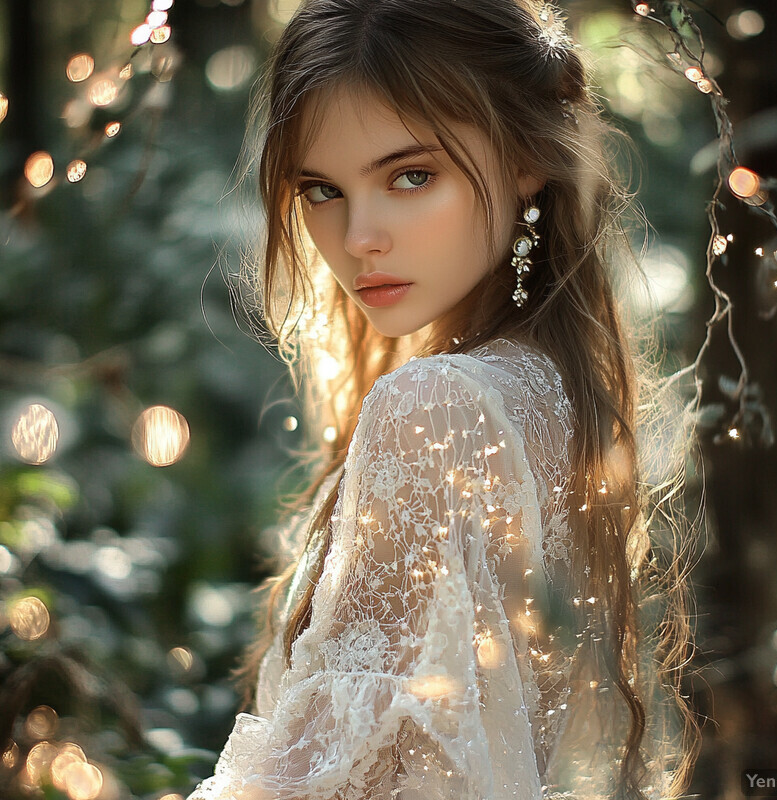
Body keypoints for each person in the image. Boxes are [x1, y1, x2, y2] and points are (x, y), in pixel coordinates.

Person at [187, 0, 701, 797]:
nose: (359, 236)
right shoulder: (556, 395)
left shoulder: (434, 406)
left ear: (529, 157)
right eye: (320, 190)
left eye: (411, 176)